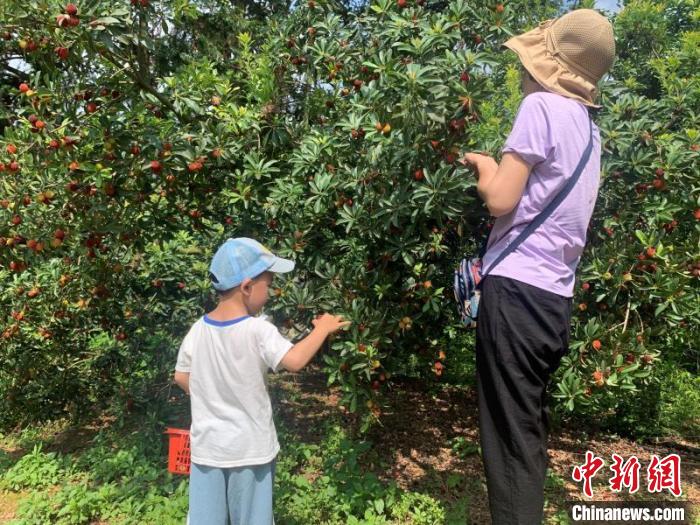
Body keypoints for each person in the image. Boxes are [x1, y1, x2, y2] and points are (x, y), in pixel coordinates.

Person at [459, 9, 615, 525]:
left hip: (517, 294)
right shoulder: (591, 133)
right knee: (526, 430)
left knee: (507, 443)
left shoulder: (540, 107)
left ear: (545, 66)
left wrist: (484, 167)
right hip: (554, 303)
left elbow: (502, 200)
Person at [173, 237, 349, 525]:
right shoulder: (257, 330)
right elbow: (294, 361)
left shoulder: (197, 330)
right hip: (250, 451)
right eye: (268, 284)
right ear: (246, 287)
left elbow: (182, 376)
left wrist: (212, 396)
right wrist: (323, 329)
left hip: (208, 451)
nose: (270, 293)